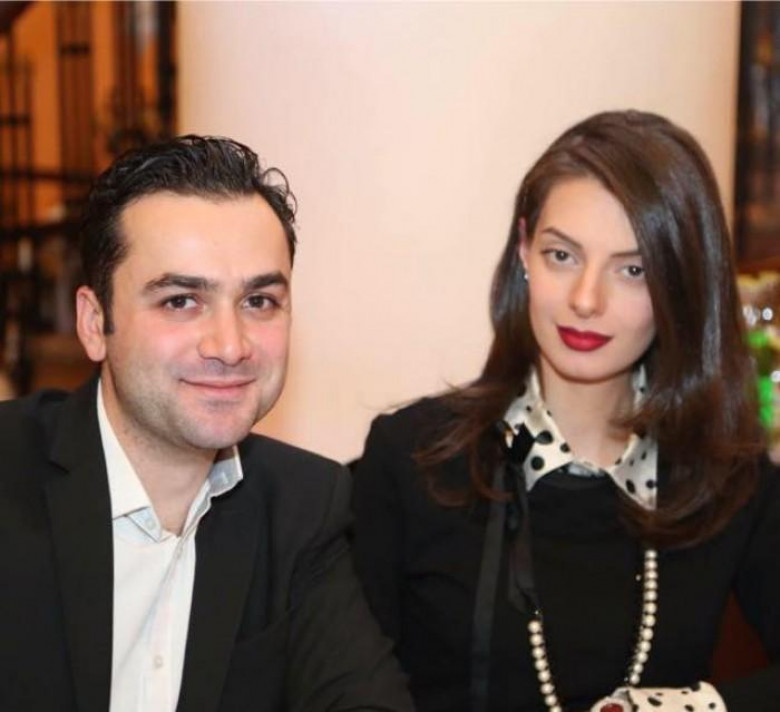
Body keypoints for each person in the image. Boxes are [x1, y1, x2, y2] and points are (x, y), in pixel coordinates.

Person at [352, 111, 780, 712]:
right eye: (562, 255)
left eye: (632, 270)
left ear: (681, 285)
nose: (586, 299)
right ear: (524, 249)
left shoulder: (726, 480)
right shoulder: (413, 459)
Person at [0, 136, 413, 712]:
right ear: (95, 323)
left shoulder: (303, 505)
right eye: (181, 301)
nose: (230, 345)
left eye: (259, 301)